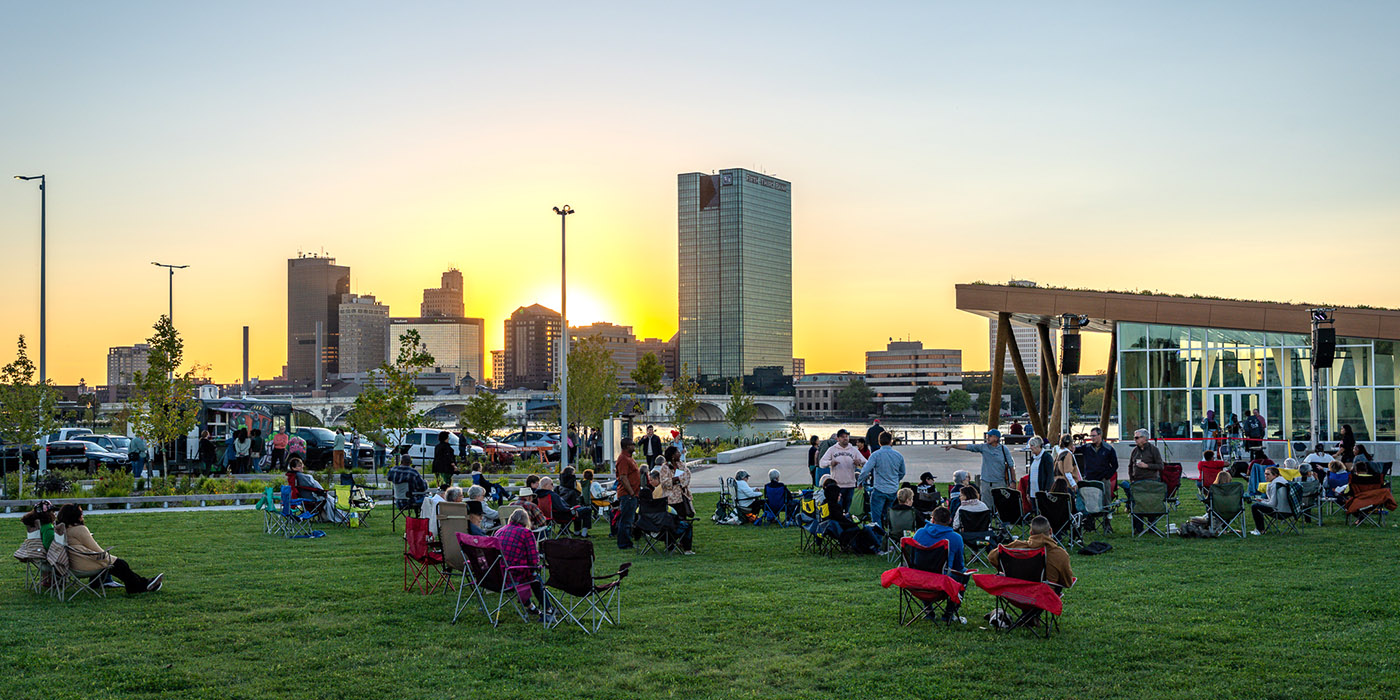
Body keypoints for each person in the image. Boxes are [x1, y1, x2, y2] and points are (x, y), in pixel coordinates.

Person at [54, 504, 164, 594]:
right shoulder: (79, 529)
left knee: (116, 565)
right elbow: (98, 551)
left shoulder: (62, 528)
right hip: (83, 565)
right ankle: (139, 587)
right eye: (81, 513)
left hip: (73, 564)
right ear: (75, 516)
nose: (83, 515)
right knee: (120, 564)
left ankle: (143, 583)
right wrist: (110, 557)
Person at [912, 506, 968, 624]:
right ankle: (949, 613)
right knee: (964, 573)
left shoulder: (920, 533)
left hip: (917, 582)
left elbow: (912, 559)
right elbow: (958, 566)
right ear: (949, 521)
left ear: (932, 520)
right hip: (942, 584)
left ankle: (928, 610)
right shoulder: (956, 538)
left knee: (925, 569)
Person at [496, 509, 551, 622]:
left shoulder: (499, 531)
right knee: (534, 575)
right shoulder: (526, 533)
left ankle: (530, 606)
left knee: (531, 573)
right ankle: (548, 609)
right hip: (515, 574)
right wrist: (537, 561)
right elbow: (533, 560)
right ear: (526, 521)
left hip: (498, 575)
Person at [990, 516, 1074, 590]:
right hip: (1046, 596)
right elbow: (1068, 583)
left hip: (1017, 593)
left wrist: (1008, 570)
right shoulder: (1059, 554)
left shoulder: (1017, 546)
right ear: (1051, 531)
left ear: (1030, 533)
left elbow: (992, 556)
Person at [821, 475, 882, 555]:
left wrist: (844, 517)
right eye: (839, 494)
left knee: (865, 527)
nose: (840, 495)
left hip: (831, 531)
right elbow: (844, 522)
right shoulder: (835, 507)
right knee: (866, 528)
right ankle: (878, 546)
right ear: (834, 495)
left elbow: (838, 519)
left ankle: (871, 547)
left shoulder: (825, 505)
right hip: (842, 531)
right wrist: (855, 523)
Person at [858, 431, 906, 530]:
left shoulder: (875, 455)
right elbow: (902, 472)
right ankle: (888, 535)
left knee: (876, 517)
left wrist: (859, 481)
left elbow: (866, 470)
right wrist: (896, 480)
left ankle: (878, 539)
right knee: (888, 515)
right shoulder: (898, 455)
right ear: (891, 441)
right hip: (892, 490)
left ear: (879, 442)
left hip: (879, 489)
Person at [945, 429, 1016, 493]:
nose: (987, 437)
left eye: (990, 436)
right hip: (986, 483)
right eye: (987, 436)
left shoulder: (1004, 449)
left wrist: (1013, 481)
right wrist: (953, 446)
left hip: (1000, 482)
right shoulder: (983, 447)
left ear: (996, 438)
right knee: (986, 504)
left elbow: (1011, 466)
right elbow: (968, 447)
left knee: (1000, 505)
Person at [820, 429, 867, 514]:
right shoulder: (832, 449)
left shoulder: (853, 450)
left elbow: (866, 463)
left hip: (850, 484)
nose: (845, 438)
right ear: (837, 439)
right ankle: (838, 525)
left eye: (846, 436)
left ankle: (846, 523)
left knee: (847, 508)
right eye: (842, 437)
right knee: (838, 509)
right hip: (837, 485)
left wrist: (859, 462)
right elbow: (821, 463)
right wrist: (830, 463)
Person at [614, 438, 640, 550]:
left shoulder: (629, 458)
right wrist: (631, 492)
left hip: (633, 494)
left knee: (629, 519)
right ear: (626, 446)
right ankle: (624, 543)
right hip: (627, 494)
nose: (634, 446)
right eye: (632, 445)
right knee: (626, 520)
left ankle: (627, 541)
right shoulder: (623, 459)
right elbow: (623, 477)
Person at [1075, 427, 1119, 493]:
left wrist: (1107, 476)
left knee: (1106, 501)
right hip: (1090, 479)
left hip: (1103, 480)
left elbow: (1115, 465)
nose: (1092, 438)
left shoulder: (1108, 449)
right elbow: (1075, 450)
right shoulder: (1087, 447)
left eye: (1094, 436)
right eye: (1091, 436)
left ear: (1100, 435)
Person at [657, 446, 694, 520]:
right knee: (672, 518)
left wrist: (678, 480)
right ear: (672, 455)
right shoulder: (665, 467)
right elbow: (663, 482)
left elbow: (687, 475)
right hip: (670, 499)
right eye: (677, 452)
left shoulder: (681, 465)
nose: (680, 454)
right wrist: (673, 480)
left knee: (682, 518)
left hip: (682, 497)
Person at [1249, 466, 1288, 535]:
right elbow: (1275, 500)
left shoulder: (1275, 485)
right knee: (1258, 504)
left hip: (1279, 511)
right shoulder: (1283, 481)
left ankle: (1260, 530)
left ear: (1275, 475)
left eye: (1268, 474)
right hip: (1288, 509)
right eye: (1265, 474)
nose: (1265, 476)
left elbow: (1272, 504)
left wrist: (1261, 502)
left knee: (1255, 506)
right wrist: (1263, 500)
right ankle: (1260, 529)